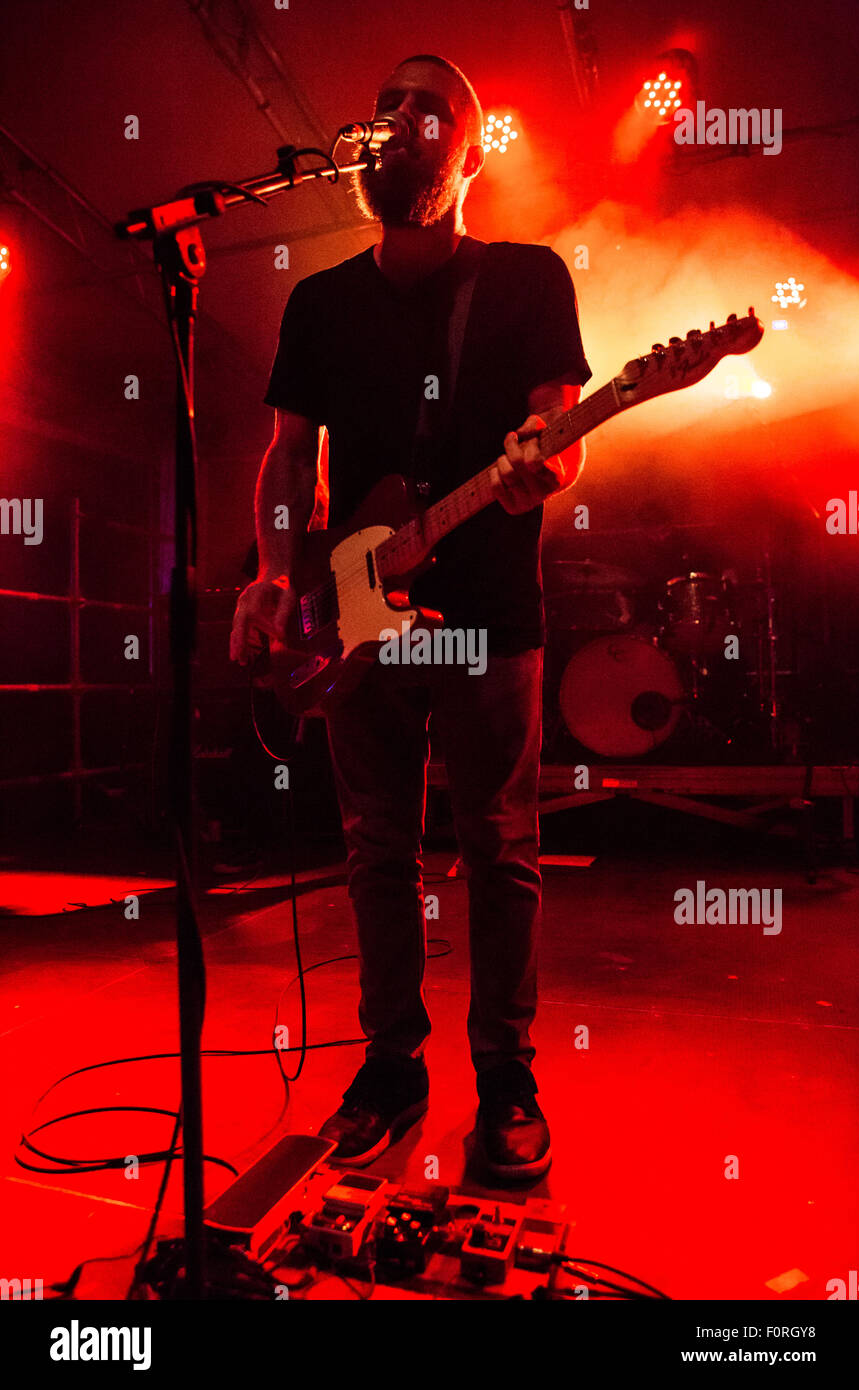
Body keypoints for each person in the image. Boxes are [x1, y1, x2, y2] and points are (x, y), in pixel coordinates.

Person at [230, 54, 591, 1182]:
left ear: (472, 153)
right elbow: (292, 457)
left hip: (486, 611)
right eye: (388, 105)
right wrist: (275, 573)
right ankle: (392, 1066)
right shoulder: (321, 301)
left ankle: (507, 1077)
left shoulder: (528, 280)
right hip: (353, 615)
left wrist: (547, 465)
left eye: (432, 111)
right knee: (375, 848)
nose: (404, 123)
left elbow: (559, 430)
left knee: (500, 847)